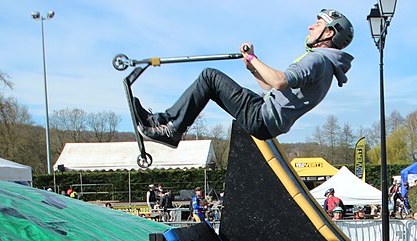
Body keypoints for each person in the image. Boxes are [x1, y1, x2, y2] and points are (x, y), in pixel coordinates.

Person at [132, 9, 354, 147]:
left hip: (263, 117)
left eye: (318, 24)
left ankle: (171, 130)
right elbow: (271, 87)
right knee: (211, 83)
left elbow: (279, 81)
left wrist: (253, 57)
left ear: (329, 33)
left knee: (209, 76)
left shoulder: (318, 60)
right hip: (265, 114)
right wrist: (252, 67)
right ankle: (160, 122)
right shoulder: (325, 65)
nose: (311, 26)